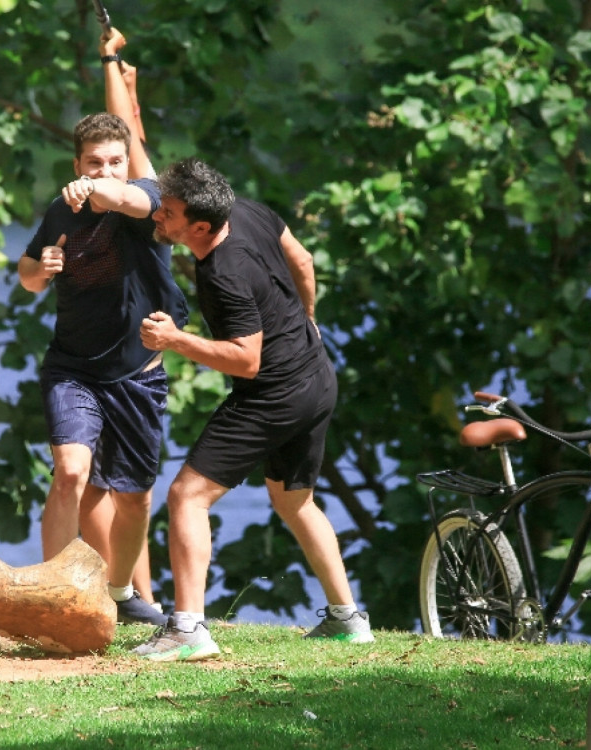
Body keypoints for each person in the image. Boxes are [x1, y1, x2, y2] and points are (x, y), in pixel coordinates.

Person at [134, 157, 375, 661]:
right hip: (316, 376)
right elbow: (303, 261)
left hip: (274, 393)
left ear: (198, 226)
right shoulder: (240, 209)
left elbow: (246, 361)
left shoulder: (224, 272)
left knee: (186, 496)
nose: (158, 215)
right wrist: (307, 317)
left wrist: (175, 340)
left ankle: (187, 628)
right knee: (294, 500)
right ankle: (347, 619)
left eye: (167, 212)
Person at [17, 72, 188, 625]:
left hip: (138, 372)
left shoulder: (148, 200)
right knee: (71, 473)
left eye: (115, 160)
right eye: (94, 162)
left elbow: (126, 193)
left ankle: (125, 595)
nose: (106, 170)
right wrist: (39, 270)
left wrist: (100, 187)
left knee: (134, 497)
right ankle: (51, 599)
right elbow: (26, 272)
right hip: (72, 367)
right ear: (77, 163)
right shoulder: (60, 211)